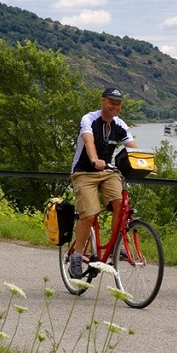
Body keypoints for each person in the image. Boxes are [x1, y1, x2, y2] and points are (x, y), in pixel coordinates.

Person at [68, 87, 137, 278]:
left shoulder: (120, 124)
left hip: (107, 172)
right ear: (102, 102)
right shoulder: (89, 119)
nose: (115, 107)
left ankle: (115, 247)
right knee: (89, 214)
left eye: (118, 104)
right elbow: (89, 142)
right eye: (112, 103)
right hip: (84, 172)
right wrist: (94, 159)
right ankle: (77, 255)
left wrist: (145, 163)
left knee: (121, 205)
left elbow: (132, 148)